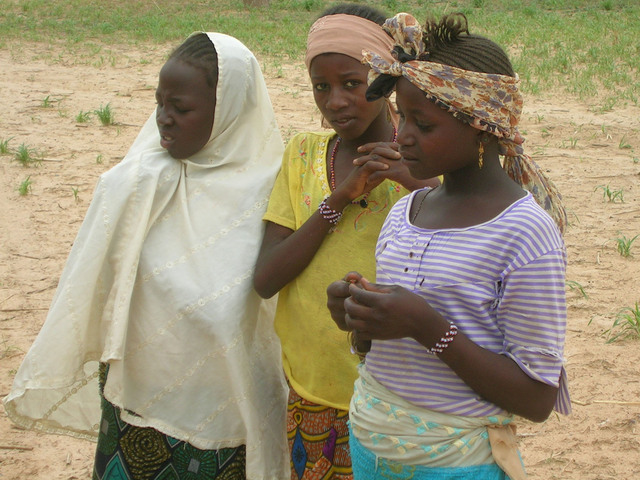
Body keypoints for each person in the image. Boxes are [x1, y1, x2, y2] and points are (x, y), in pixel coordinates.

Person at [3, 32, 289, 480]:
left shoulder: (271, 190)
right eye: (160, 104)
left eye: (182, 108)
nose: (164, 120)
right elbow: (93, 286)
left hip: (224, 415)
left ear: (231, 111)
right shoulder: (137, 180)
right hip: (135, 398)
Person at [326, 12, 570, 480]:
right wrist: (359, 317)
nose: (402, 136)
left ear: (482, 126)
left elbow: (536, 398)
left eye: (424, 123)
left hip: (453, 463)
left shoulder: (524, 233)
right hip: (371, 445)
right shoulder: (406, 211)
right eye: (402, 116)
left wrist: (425, 324)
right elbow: (382, 349)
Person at [253, 4, 438, 479]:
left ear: (385, 83)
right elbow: (267, 278)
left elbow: (472, 250)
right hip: (314, 390)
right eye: (322, 87)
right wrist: (340, 196)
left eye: (352, 84)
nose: (335, 101)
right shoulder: (303, 154)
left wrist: (417, 181)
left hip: (402, 399)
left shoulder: (430, 161)